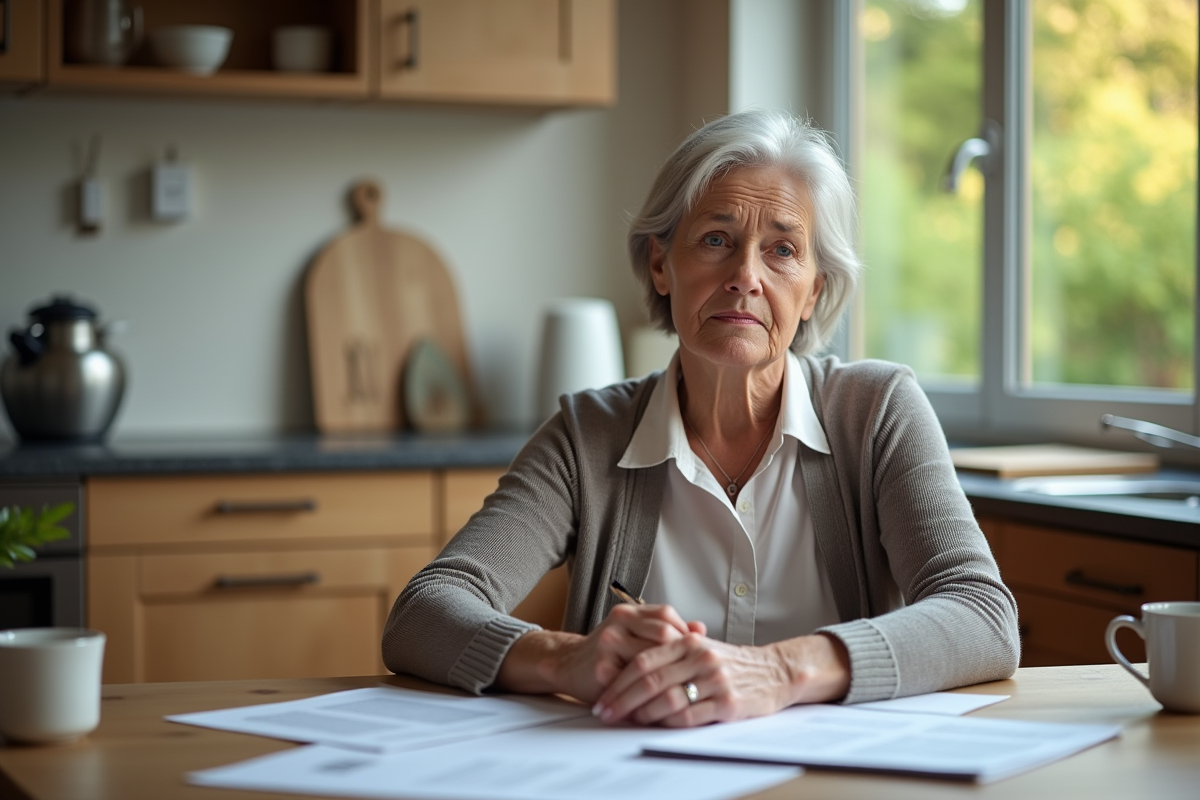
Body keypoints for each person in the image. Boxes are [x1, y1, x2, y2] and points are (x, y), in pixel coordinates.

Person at [382, 108, 1019, 728]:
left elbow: (982, 615)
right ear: (662, 264)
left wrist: (776, 672)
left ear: (814, 291)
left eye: (782, 251)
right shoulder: (589, 436)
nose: (745, 276)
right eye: (716, 240)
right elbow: (422, 614)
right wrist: (567, 656)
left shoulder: (878, 412)